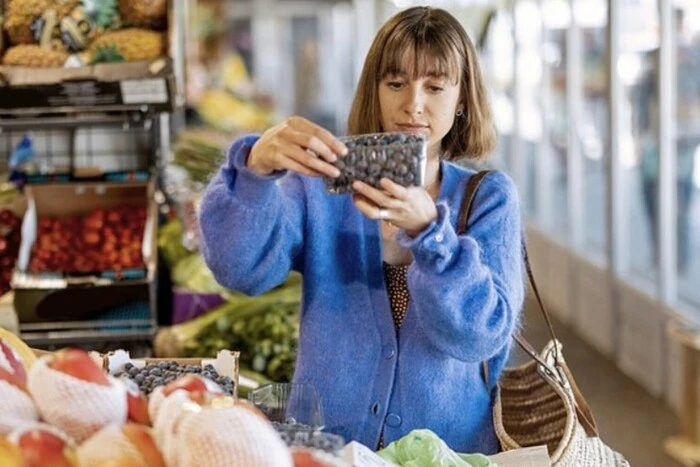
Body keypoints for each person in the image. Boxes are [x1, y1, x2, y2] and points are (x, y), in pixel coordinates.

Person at [199, 6, 524, 455]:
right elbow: (241, 271)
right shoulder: (321, 186)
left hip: (447, 457)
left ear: (462, 99)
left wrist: (430, 232)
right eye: (395, 83)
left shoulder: (487, 197)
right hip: (329, 452)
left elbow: (480, 337)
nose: (413, 104)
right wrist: (253, 172)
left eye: (434, 86)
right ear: (374, 89)